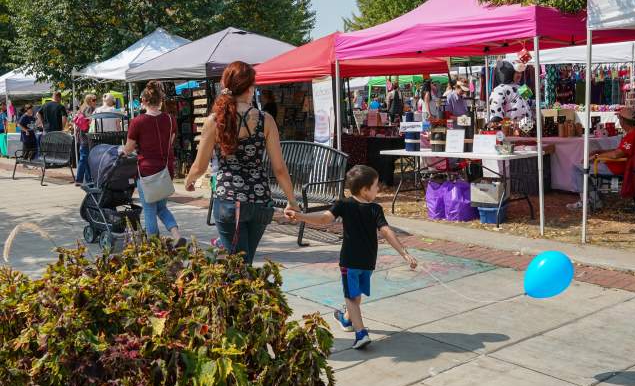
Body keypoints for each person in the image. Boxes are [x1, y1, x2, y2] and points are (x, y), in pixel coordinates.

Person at [286, 165, 417, 349]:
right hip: (368, 262)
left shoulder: (344, 204)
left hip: (350, 261)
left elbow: (324, 219)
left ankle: (361, 333)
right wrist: (404, 253)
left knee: (351, 297)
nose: (378, 189)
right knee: (355, 296)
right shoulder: (375, 209)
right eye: (375, 186)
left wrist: (300, 216)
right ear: (364, 190)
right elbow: (387, 232)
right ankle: (347, 320)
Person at [185, 61, 299, 265]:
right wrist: (292, 201)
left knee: (238, 266)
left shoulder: (215, 121)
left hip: (228, 200)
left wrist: (189, 181)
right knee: (245, 261)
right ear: (250, 88)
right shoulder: (266, 120)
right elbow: (279, 168)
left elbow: (199, 166)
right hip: (260, 200)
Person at [123, 81, 186, 247]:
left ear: (143, 100)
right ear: (160, 101)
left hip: (146, 170)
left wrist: (124, 151)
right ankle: (176, 234)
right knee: (160, 207)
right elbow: (170, 142)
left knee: (150, 209)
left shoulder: (137, 122)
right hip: (166, 169)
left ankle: (152, 245)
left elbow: (129, 149)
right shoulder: (171, 120)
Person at [567, 106, 635, 211]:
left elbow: (617, 154)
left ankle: (587, 202)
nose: (620, 122)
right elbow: (621, 150)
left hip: (617, 167)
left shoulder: (632, 135)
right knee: (585, 166)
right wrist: (600, 152)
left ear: (623, 121)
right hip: (624, 165)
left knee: (577, 168)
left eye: (620, 119)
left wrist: (596, 157)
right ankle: (595, 200)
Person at [73, 93, 96, 185]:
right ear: (89, 100)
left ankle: (88, 179)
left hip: (82, 136)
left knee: (85, 159)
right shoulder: (89, 109)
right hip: (86, 137)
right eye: (94, 100)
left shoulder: (82, 108)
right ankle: (79, 180)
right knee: (84, 158)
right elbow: (90, 122)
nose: (95, 101)